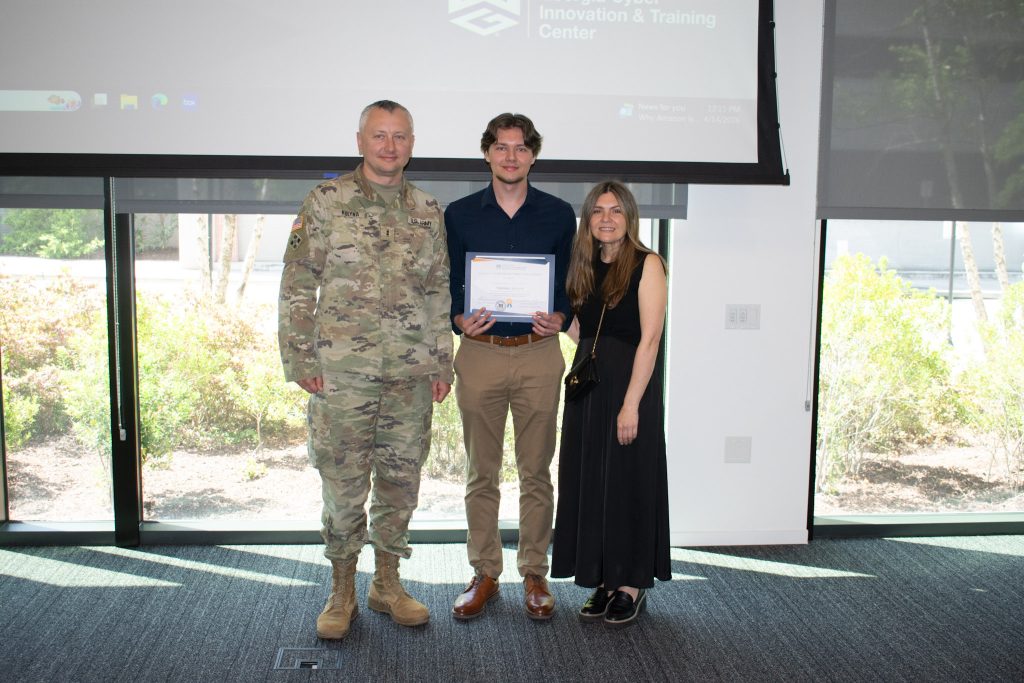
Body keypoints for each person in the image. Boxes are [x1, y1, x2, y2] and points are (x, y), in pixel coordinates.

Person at [278, 99, 453, 640]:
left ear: (411, 143)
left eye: (400, 136)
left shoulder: (427, 209)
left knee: (401, 482)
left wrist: (441, 361)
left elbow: (437, 289)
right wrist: (301, 358)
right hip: (342, 374)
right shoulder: (327, 201)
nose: (390, 146)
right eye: (379, 135)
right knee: (344, 483)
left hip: (409, 375)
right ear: (360, 141)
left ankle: (388, 584)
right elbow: (298, 280)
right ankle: (342, 588)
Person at [445, 113, 576, 620]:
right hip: (479, 356)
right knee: (481, 472)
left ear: (533, 155)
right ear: (487, 153)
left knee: (537, 471)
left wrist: (562, 315)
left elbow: (569, 281)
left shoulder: (559, 214)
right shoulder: (458, 215)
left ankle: (535, 572)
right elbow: (449, 281)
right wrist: (458, 319)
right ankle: (485, 572)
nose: (510, 156)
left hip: (539, 354)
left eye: (520, 148)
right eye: (501, 147)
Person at [551, 180, 671, 627]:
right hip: (588, 385)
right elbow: (586, 332)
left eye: (616, 211)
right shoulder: (585, 266)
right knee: (594, 480)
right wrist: (558, 325)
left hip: (628, 387)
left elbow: (650, 338)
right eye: (599, 210)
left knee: (628, 481)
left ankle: (631, 584)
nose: (606, 218)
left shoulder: (648, 263)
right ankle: (603, 577)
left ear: (630, 217)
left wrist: (631, 404)